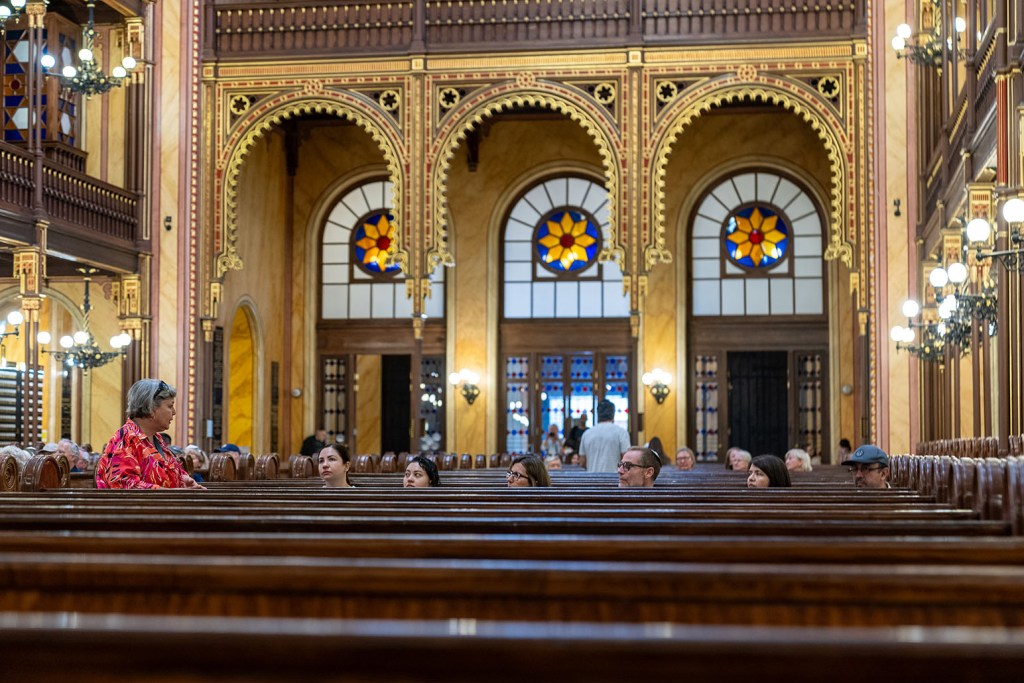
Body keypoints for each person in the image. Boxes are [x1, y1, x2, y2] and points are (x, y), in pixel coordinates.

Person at [95, 379, 204, 490]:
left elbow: (168, 470)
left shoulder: (156, 438)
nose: (174, 412)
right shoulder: (126, 439)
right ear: (151, 408)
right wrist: (174, 492)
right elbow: (124, 487)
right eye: (170, 406)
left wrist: (183, 479)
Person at [578, 400, 629, 473]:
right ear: (613, 415)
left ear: (598, 415)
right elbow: (626, 459)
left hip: (591, 477)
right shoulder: (621, 432)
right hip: (614, 477)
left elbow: (582, 462)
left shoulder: (587, 434)